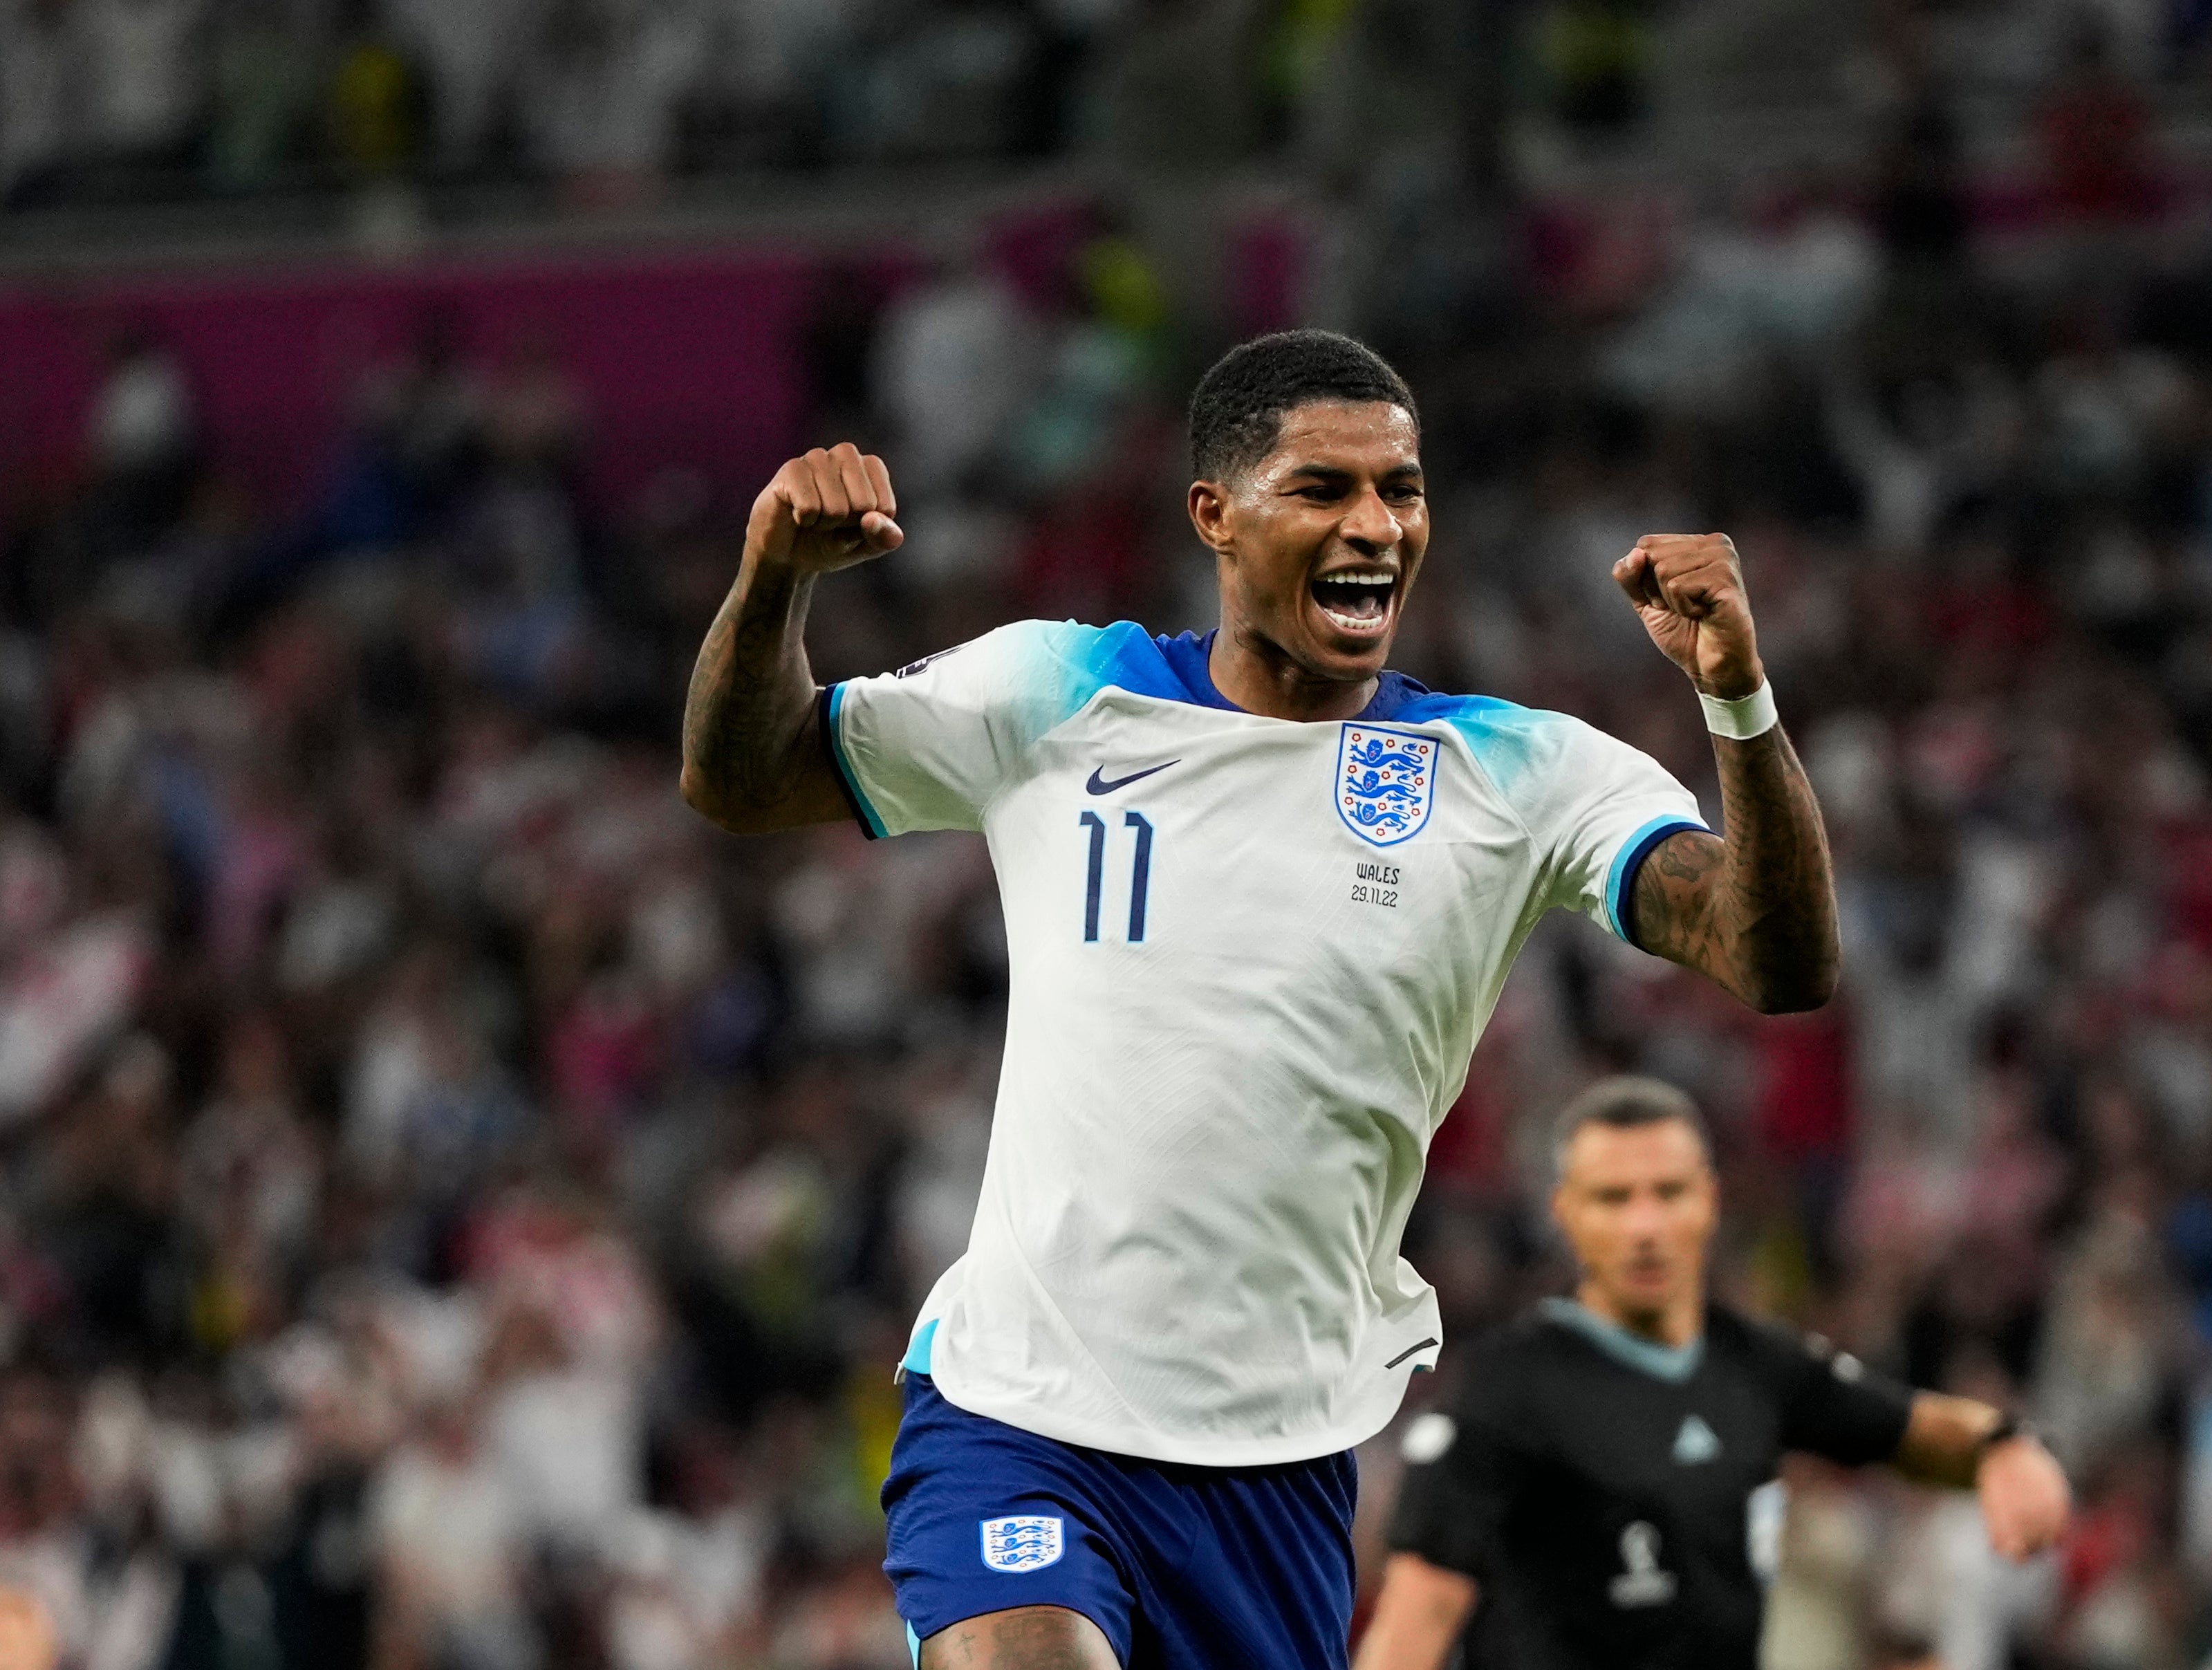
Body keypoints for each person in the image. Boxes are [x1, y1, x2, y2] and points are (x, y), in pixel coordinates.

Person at [679, 329, 1843, 1670]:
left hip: (1277, 1462)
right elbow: (745, 774)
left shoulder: (1510, 771)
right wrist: (771, 577)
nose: (1374, 525)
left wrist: (1737, 702)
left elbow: (1778, 959)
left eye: (1399, 491)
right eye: (1322, 489)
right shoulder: (1056, 693)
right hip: (1018, 1405)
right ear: (1214, 518)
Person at [1355, 1077, 2073, 1670]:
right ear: (1567, 1214)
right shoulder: (1505, 1389)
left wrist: (2000, 1450)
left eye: (1667, 1194)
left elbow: (1905, 1428)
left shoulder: (1756, 1366)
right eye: (1615, 1198)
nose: (1644, 1226)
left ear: (1704, 1204)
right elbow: (1420, 1612)